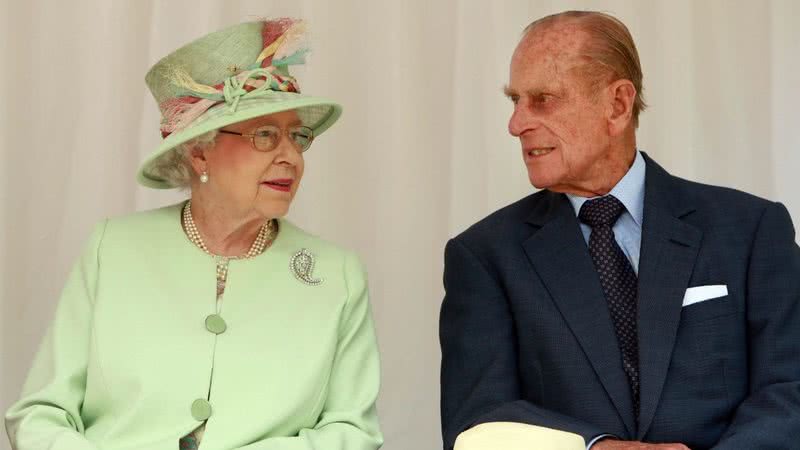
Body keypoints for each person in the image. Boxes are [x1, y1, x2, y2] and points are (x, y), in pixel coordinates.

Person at [5, 18, 383, 450]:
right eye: (264, 135)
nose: (290, 156)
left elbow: (354, 432)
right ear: (201, 152)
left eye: (297, 137)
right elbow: (40, 414)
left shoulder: (337, 275)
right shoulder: (114, 249)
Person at [439, 10, 800, 450]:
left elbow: (789, 387)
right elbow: (478, 420)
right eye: (514, 100)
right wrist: (597, 448)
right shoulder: (484, 256)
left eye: (542, 99)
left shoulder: (751, 230)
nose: (516, 124)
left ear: (617, 104)